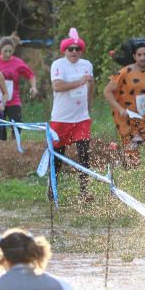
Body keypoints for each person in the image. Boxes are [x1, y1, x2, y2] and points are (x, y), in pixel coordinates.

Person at [103, 38, 145, 202]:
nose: (143, 57)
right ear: (134, 56)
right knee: (133, 161)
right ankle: (120, 186)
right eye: (140, 54)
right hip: (128, 122)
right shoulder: (124, 72)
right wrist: (120, 109)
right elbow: (107, 91)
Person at [49, 28, 94, 201]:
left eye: (77, 49)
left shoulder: (87, 65)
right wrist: (78, 83)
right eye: (71, 49)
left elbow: (91, 84)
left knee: (84, 153)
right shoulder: (58, 65)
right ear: (65, 50)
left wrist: (89, 104)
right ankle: (53, 187)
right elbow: (57, 86)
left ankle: (84, 191)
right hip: (61, 118)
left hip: (81, 118)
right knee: (58, 157)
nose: (74, 52)